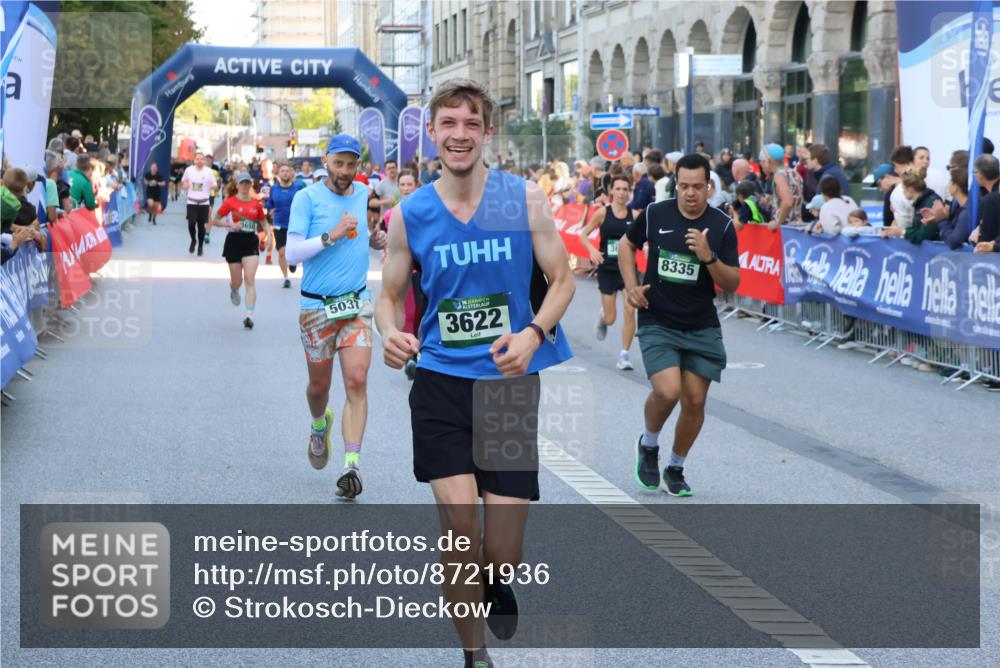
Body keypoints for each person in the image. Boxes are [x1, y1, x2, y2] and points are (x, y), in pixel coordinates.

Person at [375, 79, 574, 668]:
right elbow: (387, 297)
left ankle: (496, 578)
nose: (459, 135)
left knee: (502, 551)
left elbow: (562, 281)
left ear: (487, 132)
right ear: (432, 132)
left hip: (507, 387)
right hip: (438, 382)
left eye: (471, 123)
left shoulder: (523, 199)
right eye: (448, 124)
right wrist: (389, 331)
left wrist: (533, 333)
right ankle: (474, 654)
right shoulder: (409, 214)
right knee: (460, 531)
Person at [617, 153, 739, 497]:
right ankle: (649, 444)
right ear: (676, 185)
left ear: (709, 186)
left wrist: (708, 257)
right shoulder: (656, 213)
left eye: (698, 187)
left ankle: (675, 467)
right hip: (658, 318)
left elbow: (732, 283)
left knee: (695, 401)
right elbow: (627, 246)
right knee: (668, 391)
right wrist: (630, 287)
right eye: (684, 186)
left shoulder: (721, 225)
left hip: (701, 323)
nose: (690, 193)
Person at [285, 134, 389, 500]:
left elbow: (361, 237)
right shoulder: (306, 198)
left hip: (356, 303)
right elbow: (292, 254)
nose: (345, 171)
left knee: (357, 380)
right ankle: (319, 423)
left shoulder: (363, 194)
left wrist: (373, 242)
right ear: (326, 162)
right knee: (319, 388)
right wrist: (331, 235)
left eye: (352, 164)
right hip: (316, 307)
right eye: (339, 163)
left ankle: (351, 465)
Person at [579, 174, 637, 370]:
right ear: (611, 191)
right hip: (608, 268)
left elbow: (644, 238)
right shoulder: (603, 213)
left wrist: (645, 246)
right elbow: (583, 235)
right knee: (612, 318)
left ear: (629, 192)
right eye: (618, 189)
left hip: (627, 269)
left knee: (630, 309)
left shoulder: (635, 215)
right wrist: (593, 250)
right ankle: (603, 317)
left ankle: (624, 355)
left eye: (625, 189)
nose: (621, 193)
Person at [211, 173, 266, 328]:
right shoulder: (230, 202)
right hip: (234, 242)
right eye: (242, 183)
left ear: (251, 185)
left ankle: (249, 316)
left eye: (248, 183)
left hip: (250, 241)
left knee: (249, 278)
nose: (245, 186)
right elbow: (214, 221)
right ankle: (234, 288)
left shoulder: (256, 204)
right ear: (237, 185)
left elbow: (263, 221)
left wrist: (268, 235)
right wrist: (230, 225)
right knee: (238, 281)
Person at [265, 161, 305, 287]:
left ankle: (293, 262)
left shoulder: (298, 187)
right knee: (282, 252)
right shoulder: (274, 188)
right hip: (279, 224)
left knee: (295, 250)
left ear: (291, 173)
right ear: (278, 174)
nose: (285, 173)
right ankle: (286, 278)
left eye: (287, 171)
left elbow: (306, 202)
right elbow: (269, 204)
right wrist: (268, 208)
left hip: (296, 224)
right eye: (282, 171)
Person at [882, 171, 943, 243]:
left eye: (903, 189)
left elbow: (925, 235)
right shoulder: (922, 202)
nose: (903, 192)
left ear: (910, 188)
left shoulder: (929, 203)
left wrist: (903, 232)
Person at [181, 153, 217, 256]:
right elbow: (183, 182)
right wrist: (185, 185)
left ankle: (200, 245)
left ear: (204, 161)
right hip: (191, 201)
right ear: (194, 160)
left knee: (201, 227)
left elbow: (215, 185)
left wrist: (211, 186)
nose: (199, 161)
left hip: (204, 202)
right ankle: (193, 240)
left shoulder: (209, 172)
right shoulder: (189, 170)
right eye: (197, 159)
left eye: (201, 159)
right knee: (191, 224)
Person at [762, 143, 804, 230]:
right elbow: (793, 195)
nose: (762, 164)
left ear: (769, 160)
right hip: (796, 225)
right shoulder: (793, 172)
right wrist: (773, 200)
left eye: (764, 160)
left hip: (785, 228)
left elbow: (788, 202)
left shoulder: (779, 175)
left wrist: (776, 221)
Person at [937, 167, 971, 250]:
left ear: (956, 186)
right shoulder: (958, 208)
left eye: (950, 181)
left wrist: (942, 220)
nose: (947, 184)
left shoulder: (966, 212)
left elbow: (953, 242)